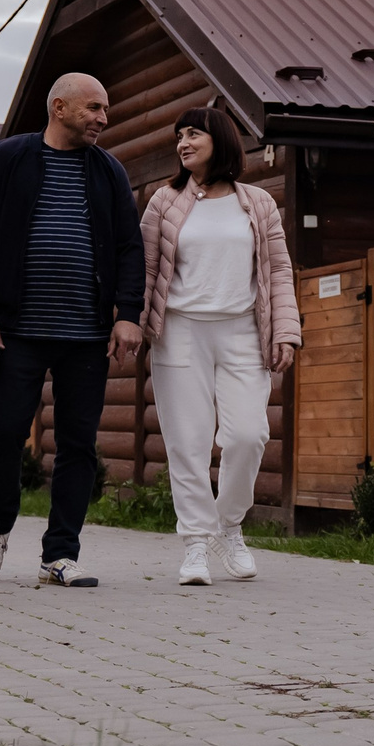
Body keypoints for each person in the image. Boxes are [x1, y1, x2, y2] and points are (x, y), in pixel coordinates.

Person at [0, 71, 145, 587]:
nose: (103, 118)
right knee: (4, 433)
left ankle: (60, 554)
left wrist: (128, 314)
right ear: (59, 108)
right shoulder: (9, 158)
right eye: (94, 108)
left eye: (105, 109)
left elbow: (129, 247)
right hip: (17, 330)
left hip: (86, 334)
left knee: (78, 443)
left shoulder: (108, 171)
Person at [138, 105, 300, 585]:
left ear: (220, 140)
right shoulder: (164, 202)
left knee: (249, 435)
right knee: (187, 442)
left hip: (243, 331)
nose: (183, 143)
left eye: (193, 134)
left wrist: (286, 331)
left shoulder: (258, 203)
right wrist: (129, 323)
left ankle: (228, 526)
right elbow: (145, 268)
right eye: (179, 136)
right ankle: (195, 542)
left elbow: (278, 270)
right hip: (180, 331)